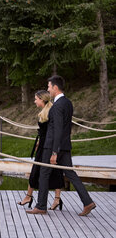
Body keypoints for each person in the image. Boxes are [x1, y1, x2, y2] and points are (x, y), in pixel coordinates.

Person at [27, 75, 96, 216]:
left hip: (53, 146)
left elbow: (57, 129)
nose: (48, 89)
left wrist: (54, 152)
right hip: (64, 145)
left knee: (44, 174)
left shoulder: (57, 106)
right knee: (70, 173)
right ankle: (88, 202)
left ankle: (41, 206)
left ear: (55, 87)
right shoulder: (68, 103)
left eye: (49, 87)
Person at [18, 90, 64, 210]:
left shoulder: (51, 112)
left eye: (36, 99)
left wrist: (54, 149)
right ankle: (30, 196)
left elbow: (54, 131)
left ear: (42, 100)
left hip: (49, 146)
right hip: (43, 143)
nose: (34, 101)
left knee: (54, 171)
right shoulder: (45, 111)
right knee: (38, 171)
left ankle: (55, 199)